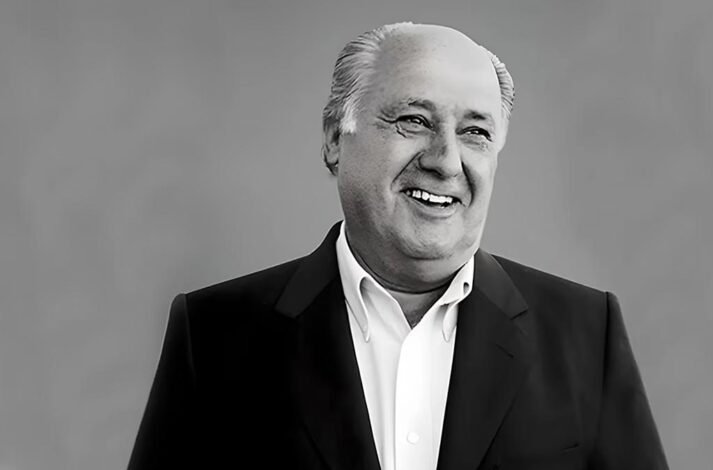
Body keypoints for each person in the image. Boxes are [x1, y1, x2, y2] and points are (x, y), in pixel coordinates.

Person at [129, 22, 668, 470]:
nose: (446, 161)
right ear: (334, 138)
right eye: (414, 120)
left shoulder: (585, 333)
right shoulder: (213, 335)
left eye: (476, 132)